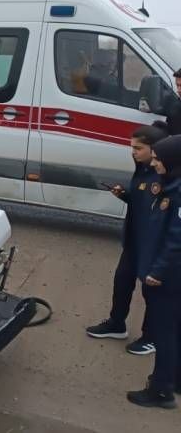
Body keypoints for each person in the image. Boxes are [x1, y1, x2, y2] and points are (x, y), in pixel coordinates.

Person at [87, 124, 169, 355]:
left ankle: (151, 337)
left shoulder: (163, 173)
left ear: (154, 150)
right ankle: (116, 323)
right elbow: (141, 203)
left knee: (151, 293)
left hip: (152, 244)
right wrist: (125, 195)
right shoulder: (142, 169)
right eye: (131, 147)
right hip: (134, 240)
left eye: (138, 148)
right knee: (122, 281)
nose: (133, 152)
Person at [127, 135, 181, 408]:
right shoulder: (169, 186)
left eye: (159, 159)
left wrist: (156, 272)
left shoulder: (177, 193)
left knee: (164, 332)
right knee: (173, 329)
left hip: (167, 277)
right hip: (165, 272)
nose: (154, 162)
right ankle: (173, 378)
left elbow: (176, 240)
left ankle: (161, 390)